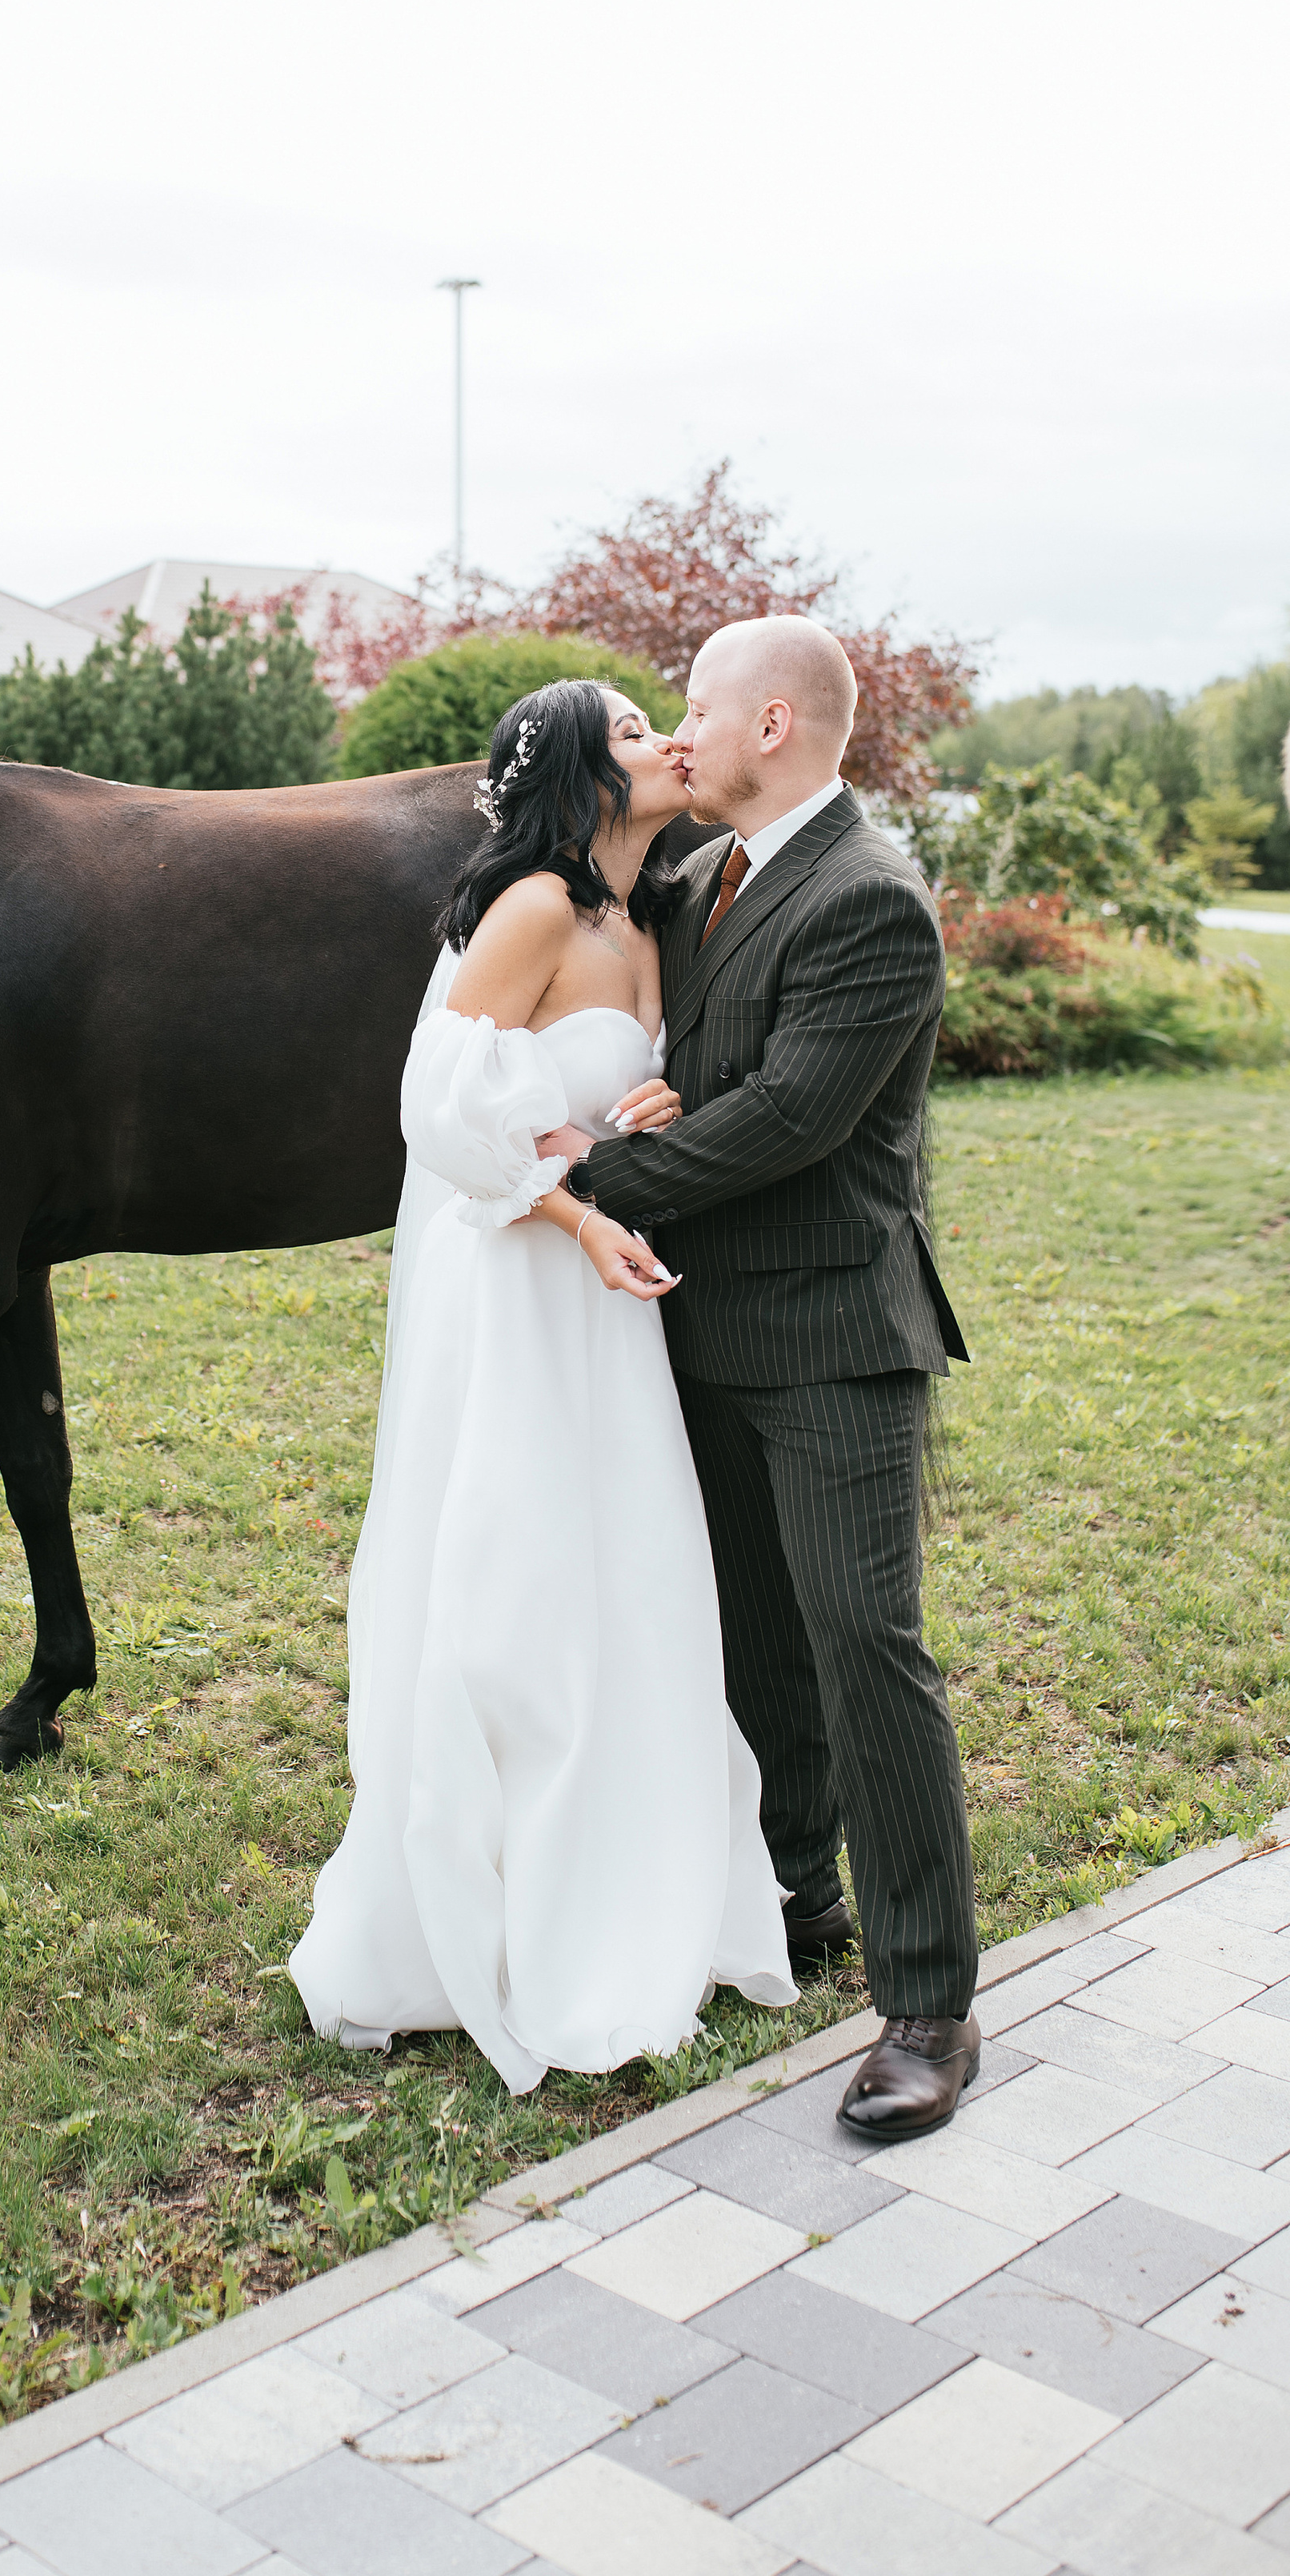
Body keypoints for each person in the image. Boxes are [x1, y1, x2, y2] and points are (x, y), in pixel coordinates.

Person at [289, 676, 798, 2092]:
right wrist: (577, 1215)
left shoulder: (650, 918)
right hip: (521, 1281)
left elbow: (611, 1088)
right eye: (634, 731)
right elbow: (438, 1112)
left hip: (607, 1301)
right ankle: (489, 1911)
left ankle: (632, 1884)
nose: (667, 740)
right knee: (515, 1582)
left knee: (627, 1568)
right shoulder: (529, 911)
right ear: (583, 774)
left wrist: (658, 1108)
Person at [556, 615, 977, 2140]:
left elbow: (796, 1114)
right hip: (696, 1328)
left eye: (697, 709)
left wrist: (592, 1175)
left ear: (776, 724)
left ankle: (929, 2008)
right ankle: (797, 1892)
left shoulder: (871, 899)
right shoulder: (698, 880)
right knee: (751, 1637)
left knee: (865, 1645)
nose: (681, 732)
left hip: (832, 1341)